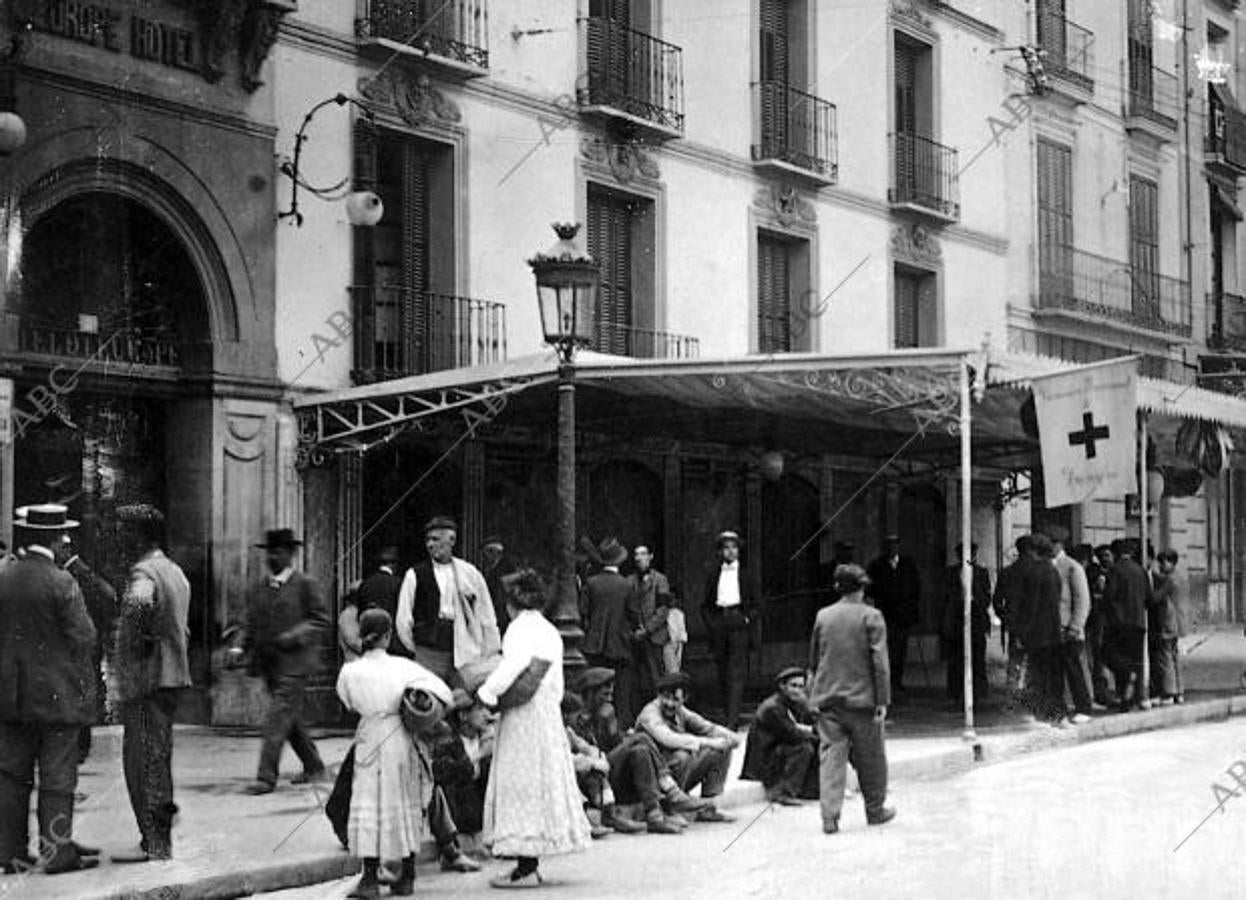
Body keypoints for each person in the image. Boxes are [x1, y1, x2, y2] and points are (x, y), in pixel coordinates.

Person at [0, 504, 99, 875]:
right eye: (63, 536)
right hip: (56, 697)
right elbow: (85, 636)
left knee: (11, 775)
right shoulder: (62, 581)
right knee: (58, 776)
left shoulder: (4, 577)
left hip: (9, 697)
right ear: (55, 539)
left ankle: (9, 851)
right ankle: (57, 851)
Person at [477, 569, 591, 889]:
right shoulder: (550, 630)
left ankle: (525, 867)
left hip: (524, 715)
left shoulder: (517, 629)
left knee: (521, 783)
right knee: (540, 783)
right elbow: (554, 681)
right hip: (546, 715)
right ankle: (530, 864)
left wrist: (487, 693)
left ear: (512, 602)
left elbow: (512, 666)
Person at [336, 608, 454, 898]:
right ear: (388, 636)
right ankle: (407, 876)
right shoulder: (403, 667)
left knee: (368, 802)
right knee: (403, 802)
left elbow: (347, 701)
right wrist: (419, 708)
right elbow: (445, 694)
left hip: (369, 735)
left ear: (362, 636)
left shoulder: (349, 671)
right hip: (399, 737)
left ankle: (370, 880)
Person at [109, 505, 193, 864]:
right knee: (158, 758)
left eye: (124, 531)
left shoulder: (143, 573)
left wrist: (131, 658)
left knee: (142, 762)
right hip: (171, 677)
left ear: (141, 536)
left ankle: (154, 841)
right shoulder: (174, 571)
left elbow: (138, 611)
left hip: (148, 679)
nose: (119, 538)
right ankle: (159, 838)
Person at [808, 564, 895, 834]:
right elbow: (879, 662)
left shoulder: (823, 616)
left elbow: (814, 659)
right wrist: (883, 700)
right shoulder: (872, 616)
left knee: (831, 758)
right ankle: (875, 809)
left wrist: (813, 696)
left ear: (837, 588)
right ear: (862, 588)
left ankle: (829, 817)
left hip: (829, 700)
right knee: (871, 758)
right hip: (863, 702)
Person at [243, 528, 329, 794]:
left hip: (296, 664)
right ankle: (314, 766)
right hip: (270, 664)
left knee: (276, 719)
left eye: (278, 551)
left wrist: (295, 635)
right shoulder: (261, 588)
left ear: (291, 554)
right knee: (289, 720)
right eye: (269, 551)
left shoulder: (305, 584)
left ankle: (266, 777)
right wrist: (241, 648)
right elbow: (251, 623)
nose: (272, 557)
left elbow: (320, 620)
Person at [396, 516, 501, 684]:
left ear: (452, 540)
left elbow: (486, 614)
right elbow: (403, 621)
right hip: (428, 651)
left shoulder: (470, 574)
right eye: (428, 540)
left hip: (464, 650)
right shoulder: (414, 575)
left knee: (463, 699)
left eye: (436, 539)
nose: (430, 544)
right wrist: (419, 650)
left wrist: (488, 651)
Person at [636, 672, 738, 823]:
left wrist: (730, 737)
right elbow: (669, 739)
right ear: (658, 695)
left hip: (674, 775)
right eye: (665, 697)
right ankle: (670, 808)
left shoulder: (680, 711)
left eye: (675, 699)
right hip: (655, 780)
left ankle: (707, 807)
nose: (670, 703)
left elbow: (706, 727)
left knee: (721, 749)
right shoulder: (650, 714)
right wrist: (708, 742)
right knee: (682, 755)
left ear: (684, 699)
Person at [56, 533, 118, 765]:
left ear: (65, 549)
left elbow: (107, 597)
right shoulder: (78, 571)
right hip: (87, 643)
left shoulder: (76, 572)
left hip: (80, 645)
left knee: (79, 695)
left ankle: (80, 744)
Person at [1008, 534, 1068, 725]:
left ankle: (1040, 713)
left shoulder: (1032, 573)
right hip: (1053, 630)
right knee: (1053, 675)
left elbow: (1030, 606)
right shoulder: (1053, 571)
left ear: (1033, 551)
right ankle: (1057, 714)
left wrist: (1021, 632)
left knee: (1038, 675)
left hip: (1036, 632)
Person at [741, 666, 820, 805]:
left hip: (779, 751)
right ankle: (783, 793)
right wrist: (818, 736)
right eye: (793, 686)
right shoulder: (772, 707)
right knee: (804, 747)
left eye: (801, 687)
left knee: (815, 743)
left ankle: (809, 790)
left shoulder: (796, 703)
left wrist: (808, 706)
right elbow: (792, 734)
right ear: (782, 686)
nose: (797, 690)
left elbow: (814, 723)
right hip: (764, 759)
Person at [581, 537, 638, 725]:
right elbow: (633, 615)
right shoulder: (627, 585)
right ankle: (619, 728)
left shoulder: (591, 582)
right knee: (621, 693)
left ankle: (597, 728)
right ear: (620, 561)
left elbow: (584, 613)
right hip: (620, 645)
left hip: (595, 646)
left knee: (596, 691)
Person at [702, 530, 753, 730]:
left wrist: (747, 618)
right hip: (720, 623)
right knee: (723, 671)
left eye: (734, 547)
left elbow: (757, 603)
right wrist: (712, 623)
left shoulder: (746, 574)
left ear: (738, 550)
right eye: (726, 548)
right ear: (720, 552)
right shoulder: (714, 574)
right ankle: (728, 715)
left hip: (739, 622)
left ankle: (732, 722)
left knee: (736, 672)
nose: (730, 551)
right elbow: (705, 605)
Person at [1047, 528, 1093, 724]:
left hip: (1069, 630)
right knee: (1055, 671)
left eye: (1051, 543)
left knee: (1074, 670)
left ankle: (1083, 707)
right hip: (1052, 629)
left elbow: (1082, 600)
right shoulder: (1045, 566)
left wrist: (1075, 626)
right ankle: (1059, 709)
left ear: (1059, 544)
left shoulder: (1072, 567)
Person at [866, 535, 921, 696]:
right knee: (885, 649)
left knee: (900, 649)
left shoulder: (908, 565)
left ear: (898, 547)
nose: (892, 549)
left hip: (902, 616)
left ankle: (897, 680)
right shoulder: (876, 565)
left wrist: (912, 611)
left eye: (895, 545)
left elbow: (915, 588)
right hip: (884, 614)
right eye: (889, 546)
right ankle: (885, 682)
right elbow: (869, 588)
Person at [1103, 539, 1153, 712]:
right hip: (1138, 623)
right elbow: (1149, 598)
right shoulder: (1141, 571)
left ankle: (1124, 697)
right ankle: (1138, 697)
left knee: (1113, 657)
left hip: (1119, 624)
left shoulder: (1114, 571)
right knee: (1137, 661)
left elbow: (1109, 597)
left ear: (1116, 553)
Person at [941, 543, 992, 704]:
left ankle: (978, 692)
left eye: (972, 553)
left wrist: (976, 599)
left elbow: (986, 596)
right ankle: (955, 692)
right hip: (956, 616)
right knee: (956, 656)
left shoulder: (982, 572)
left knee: (978, 656)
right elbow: (945, 596)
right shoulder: (950, 572)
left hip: (976, 616)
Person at [627, 543, 672, 703]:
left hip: (654, 636)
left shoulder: (660, 580)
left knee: (656, 678)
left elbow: (663, 610)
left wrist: (646, 630)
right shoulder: (629, 581)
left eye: (643, 554)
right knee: (636, 679)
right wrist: (634, 631)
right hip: (635, 638)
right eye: (636, 555)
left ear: (650, 556)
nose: (639, 558)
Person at [355, 546, 406, 656]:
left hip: (369, 642)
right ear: (394, 565)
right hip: (393, 643)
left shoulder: (365, 584)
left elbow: (360, 614)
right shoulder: (399, 583)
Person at [1149, 550, 1184, 704]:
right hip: (1178, 621)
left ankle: (1169, 692)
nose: (1161, 566)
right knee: (1175, 657)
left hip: (1168, 621)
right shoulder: (1180, 577)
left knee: (1165, 657)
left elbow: (1157, 597)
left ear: (1171, 562)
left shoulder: (1170, 580)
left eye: (1163, 562)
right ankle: (1179, 691)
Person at [480, 536, 517, 636]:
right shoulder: (492, 569)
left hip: (503, 614)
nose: (485, 557)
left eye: (487, 553)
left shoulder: (505, 568)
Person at [664, 593, 688, 674]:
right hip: (670, 640)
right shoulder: (666, 613)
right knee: (671, 665)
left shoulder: (679, 613)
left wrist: (681, 639)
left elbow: (681, 627)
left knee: (677, 663)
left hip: (677, 640)